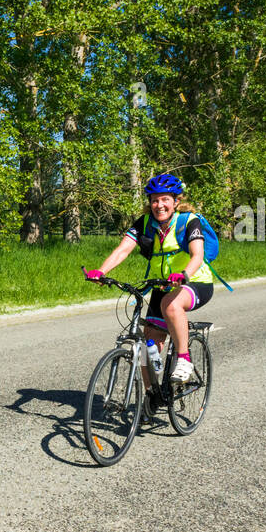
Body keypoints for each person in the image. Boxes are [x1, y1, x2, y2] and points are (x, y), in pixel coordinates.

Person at [83, 173, 214, 406]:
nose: (159, 205)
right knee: (146, 345)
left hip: (194, 282)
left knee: (171, 305)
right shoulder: (144, 223)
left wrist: (183, 275)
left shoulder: (188, 221)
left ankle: (184, 358)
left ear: (176, 201)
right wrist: (101, 272)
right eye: (154, 200)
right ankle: (152, 395)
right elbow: (123, 249)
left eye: (165, 199)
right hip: (163, 285)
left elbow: (197, 254)